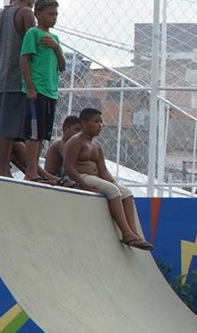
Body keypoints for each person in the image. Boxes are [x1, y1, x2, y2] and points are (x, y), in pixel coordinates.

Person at [63, 107, 152, 250]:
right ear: (84, 123)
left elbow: (103, 170)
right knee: (112, 191)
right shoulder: (75, 142)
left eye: (101, 122)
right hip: (82, 177)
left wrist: (114, 182)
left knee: (126, 193)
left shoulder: (97, 146)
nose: (100, 125)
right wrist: (83, 184)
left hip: (95, 178)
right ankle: (126, 233)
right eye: (96, 122)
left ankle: (134, 233)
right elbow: (68, 167)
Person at [0, 0, 38, 179]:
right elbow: (33, 42)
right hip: (17, 79)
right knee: (12, 129)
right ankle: (3, 170)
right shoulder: (25, 14)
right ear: (30, 1)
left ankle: (2, 169)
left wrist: (2, 50)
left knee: (2, 129)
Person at [18, 0, 67, 183]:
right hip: (36, 90)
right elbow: (24, 59)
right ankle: (31, 171)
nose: (54, 18)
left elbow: (62, 66)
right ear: (38, 14)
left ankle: (36, 171)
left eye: (56, 14)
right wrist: (30, 87)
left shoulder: (54, 39)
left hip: (50, 91)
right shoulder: (33, 33)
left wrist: (57, 48)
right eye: (50, 14)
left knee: (42, 134)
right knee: (33, 133)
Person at [42, 114, 84, 185]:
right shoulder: (60, 143)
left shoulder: (72, 145)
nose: (79, 134)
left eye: (81, 131)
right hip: (52, 178)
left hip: (62, 177)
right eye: (77, 130)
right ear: (66, 130)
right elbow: (75, 162)